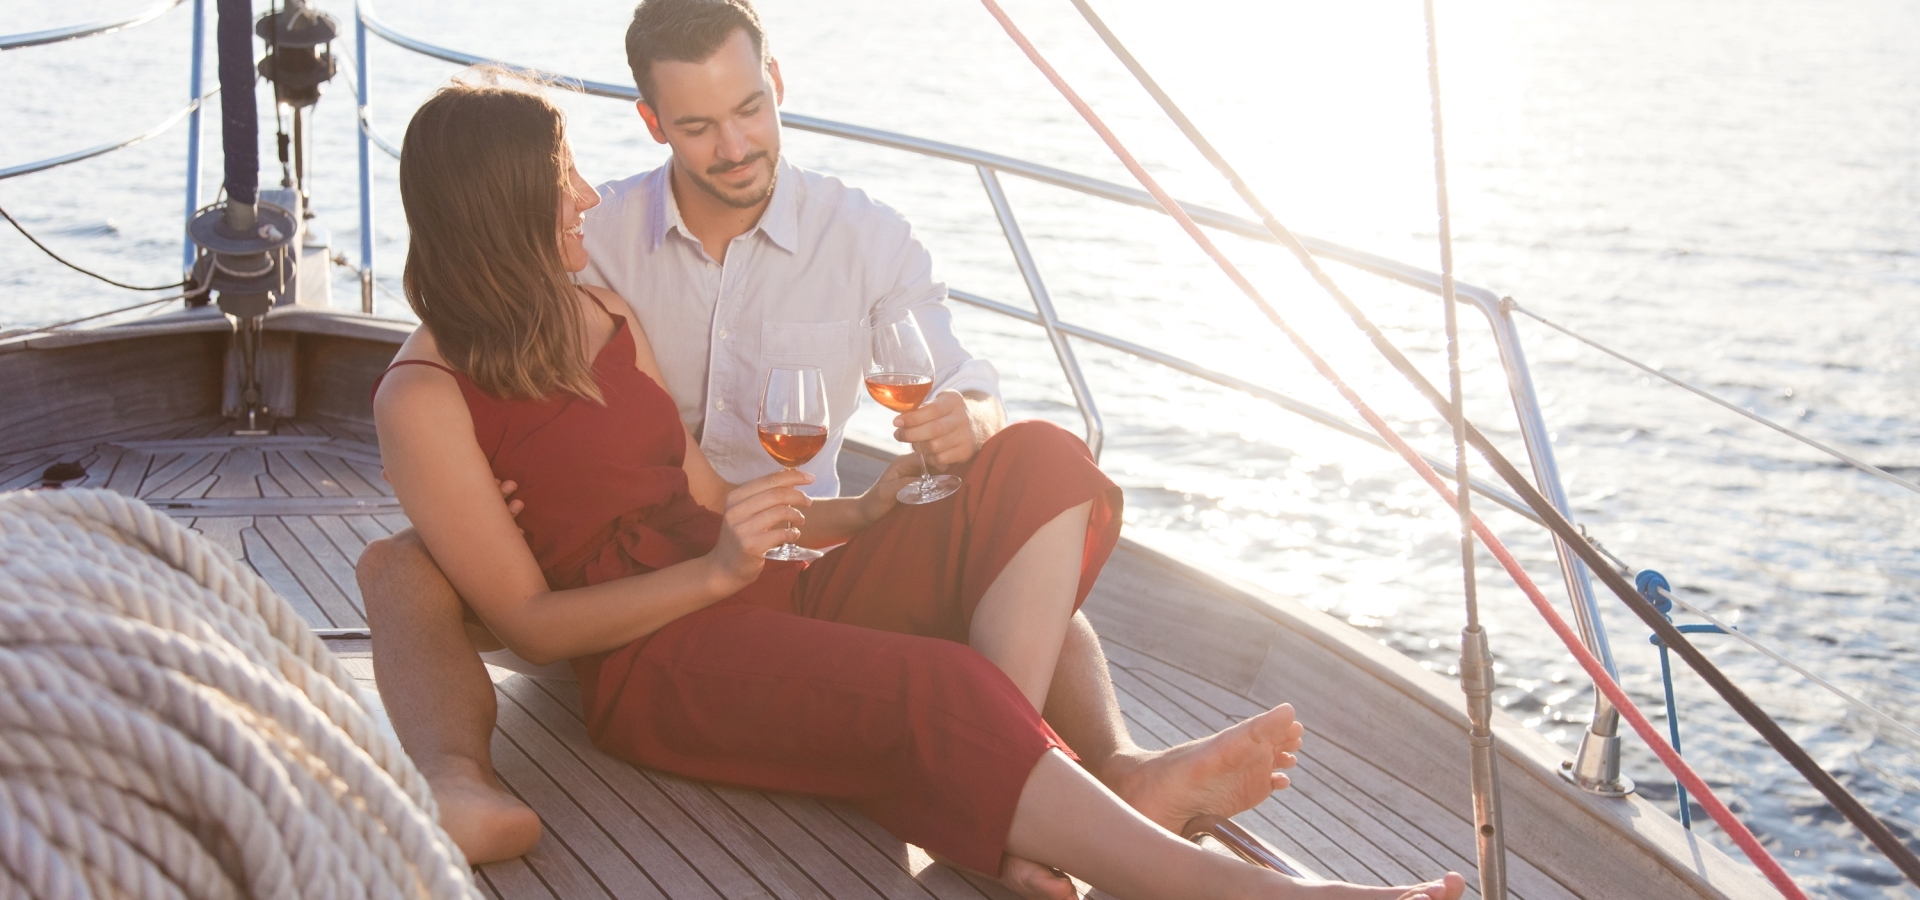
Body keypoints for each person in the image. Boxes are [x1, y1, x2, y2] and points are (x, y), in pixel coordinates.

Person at [367, 75, 1463, 900]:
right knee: (941, 684)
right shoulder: (422, 398)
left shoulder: (599, 311)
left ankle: (1021, 803)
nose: (585, 194)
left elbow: (703, 496)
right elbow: (531, 625)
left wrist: (860, 515)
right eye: (558, 181)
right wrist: (715, 575)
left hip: (749, 581)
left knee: (1040, 462)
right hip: (651, 665)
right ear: (496, 212)